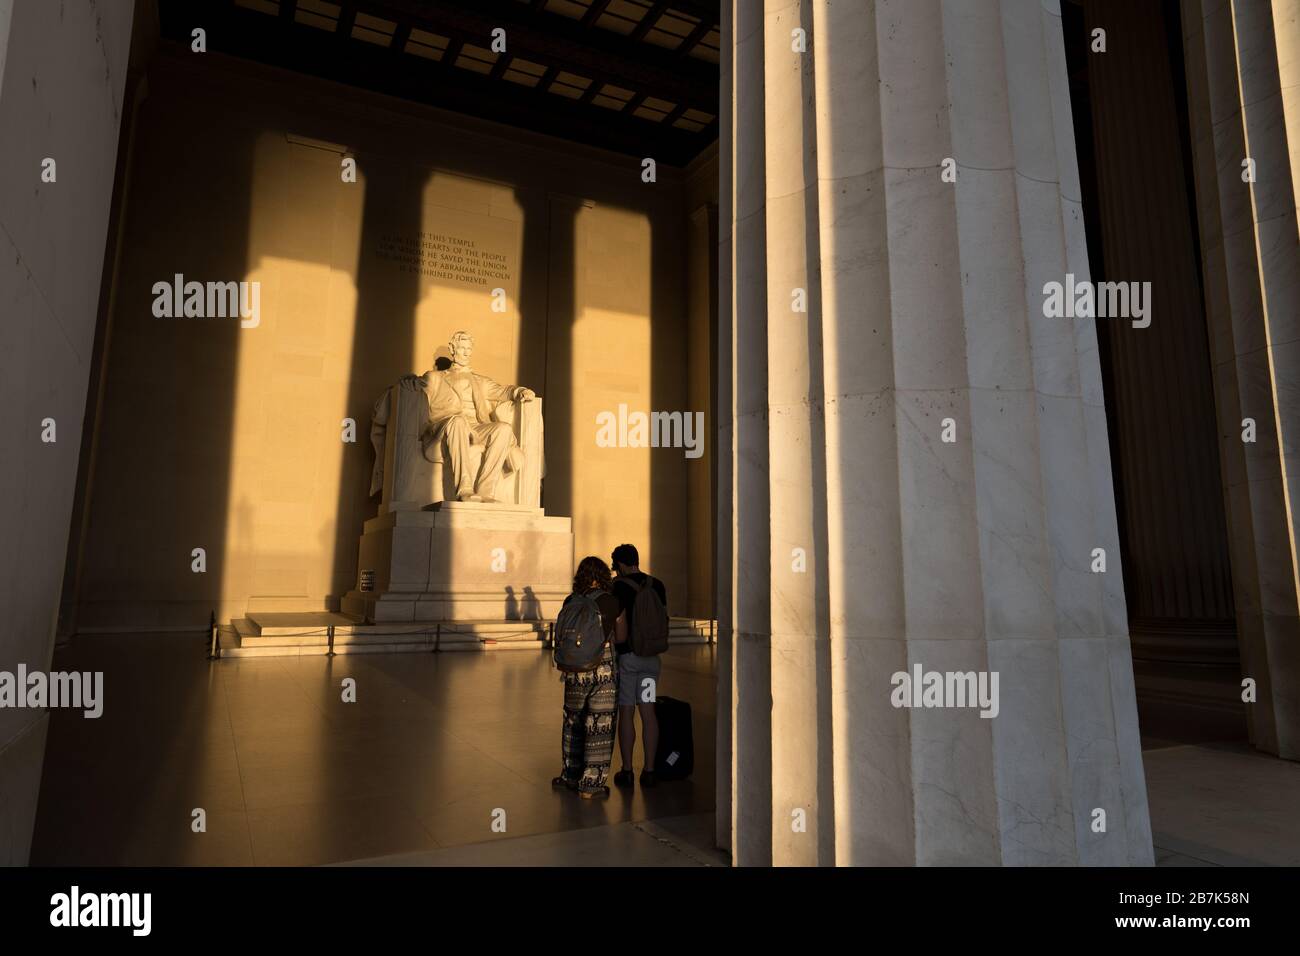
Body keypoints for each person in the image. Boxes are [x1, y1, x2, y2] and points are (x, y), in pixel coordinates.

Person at [553, 556, 625, 799]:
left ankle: (570, 775)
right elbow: (622, 637)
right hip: (602, 669)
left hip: (574, 670)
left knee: (573, 721)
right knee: (599, 724)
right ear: (602, 576)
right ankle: (591, 784)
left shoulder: (570, 600)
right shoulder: (611, 602)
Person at [610, 543, 667, 789]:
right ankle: (650, 770)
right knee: (648, 711)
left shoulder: (618, 587)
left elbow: (618, 627)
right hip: (651, 660)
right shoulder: (657, 584)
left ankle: (627, 770)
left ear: (620, 564)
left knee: (626, 711)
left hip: (629, 659)